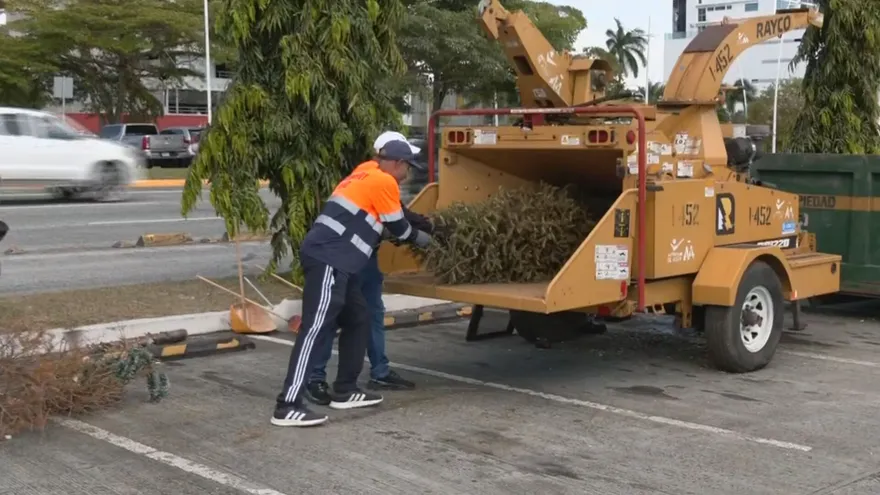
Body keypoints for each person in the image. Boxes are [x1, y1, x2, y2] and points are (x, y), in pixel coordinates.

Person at [271, 139, 432, 427]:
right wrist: (422, 237)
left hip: (340, 261)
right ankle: (288, 405)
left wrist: (422, 222)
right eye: (408, 166)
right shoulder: (384, 181)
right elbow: (397, 226)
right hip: (330, 258)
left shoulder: (365, 171)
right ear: (397, 163)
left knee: (358, 317)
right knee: (315, 328)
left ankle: (345, 390)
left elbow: (391, 215)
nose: (408, 173)